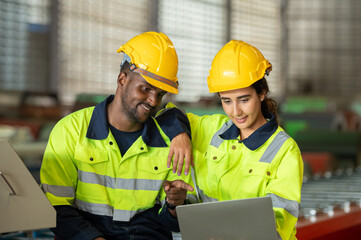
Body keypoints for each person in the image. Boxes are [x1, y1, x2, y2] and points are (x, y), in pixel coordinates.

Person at [40, 31, 194, 240]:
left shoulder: (171, 141)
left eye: (159, 94)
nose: (152, 100)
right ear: (122, 78)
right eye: (145, 89)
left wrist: (174, 206)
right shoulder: (71, 130)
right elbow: (55, 206)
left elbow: (171, 224)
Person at [166, 40, 303, 240]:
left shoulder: (284, 151)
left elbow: (279, 223)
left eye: (244, 99)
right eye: (226, 101)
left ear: (262, 93)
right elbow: (167, 114)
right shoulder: (211, 129)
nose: (235, 111)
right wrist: (179, 134)